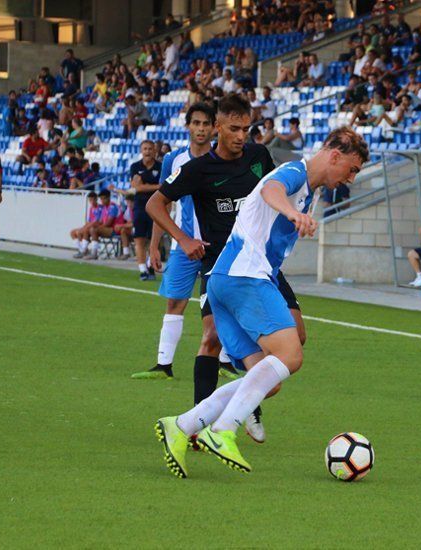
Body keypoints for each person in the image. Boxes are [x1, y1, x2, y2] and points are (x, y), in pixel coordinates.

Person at [154, 126, 368, 477]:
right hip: (245, 277)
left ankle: (183, 424)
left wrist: (295, 211)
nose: (351, 178)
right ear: (335, 156)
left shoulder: (307, 189)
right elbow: (271, 189)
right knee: (291, 354)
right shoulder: (295, 173)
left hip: (225, 280)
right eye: (352, 168)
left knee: (269, 379)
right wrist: (292, 214)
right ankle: (223, 430)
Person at [144, 94, 305, 447]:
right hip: (221, 266)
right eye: (234, 128)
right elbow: (155, 203)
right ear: (218, 127)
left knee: (296, 338)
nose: (241, 136)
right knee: (211, 336)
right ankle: (197, 424)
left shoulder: (259, 157)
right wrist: (184, 240)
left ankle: (247, 400)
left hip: (263, 264)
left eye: (246, 128)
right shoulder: (199, 169)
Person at [131, 103, 218, 380]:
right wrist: (156, 245)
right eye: (196, 123)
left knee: (221, 304)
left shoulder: (222, 160)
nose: (201, 129)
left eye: (206, 124)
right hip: (183, 245)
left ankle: (226, 363)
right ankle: (164, 365)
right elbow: (163, 204)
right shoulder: (174, 160)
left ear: (214, 127)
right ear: (188, 126)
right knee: (174, 302)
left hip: (217, 246)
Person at [130, 141, 161, 280]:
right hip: (140, 207)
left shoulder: (161, 166)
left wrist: (145, 185)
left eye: (150, 149)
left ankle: (151, 267)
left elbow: (166, 186)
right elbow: (138, 188)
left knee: (153, 239)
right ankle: (143, 270)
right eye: (145, 149)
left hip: (156, 207)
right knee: (139, 239)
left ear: (155, 150)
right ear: (141, 150)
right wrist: (157, 186)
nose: (147, 151)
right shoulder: (135, 166)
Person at [85, 191, 120, 259]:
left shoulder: (113, 207)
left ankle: (94, 253)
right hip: (106, 229)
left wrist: (97, 227)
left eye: (104, 199)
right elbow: (101, 221)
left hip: (114, 229)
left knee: (93, 230)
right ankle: (84, 250)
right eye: (101, 199)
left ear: (109, 198)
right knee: (89, 229)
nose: (102, 201)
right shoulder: (104, 207)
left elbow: (108, 223)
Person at [71, 192, 103, 257]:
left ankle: (83, 251)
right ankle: (81, 249)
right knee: (72, 232)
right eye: (90, 200)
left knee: (83, 231)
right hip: (89, 226)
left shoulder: (100, 208)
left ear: (96, 199)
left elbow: (98, 221)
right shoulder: (91, 208)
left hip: (96, 227)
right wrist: (85, 226)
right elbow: (89, 221)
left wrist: (86, 227)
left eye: (93, 200)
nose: (92, 202)